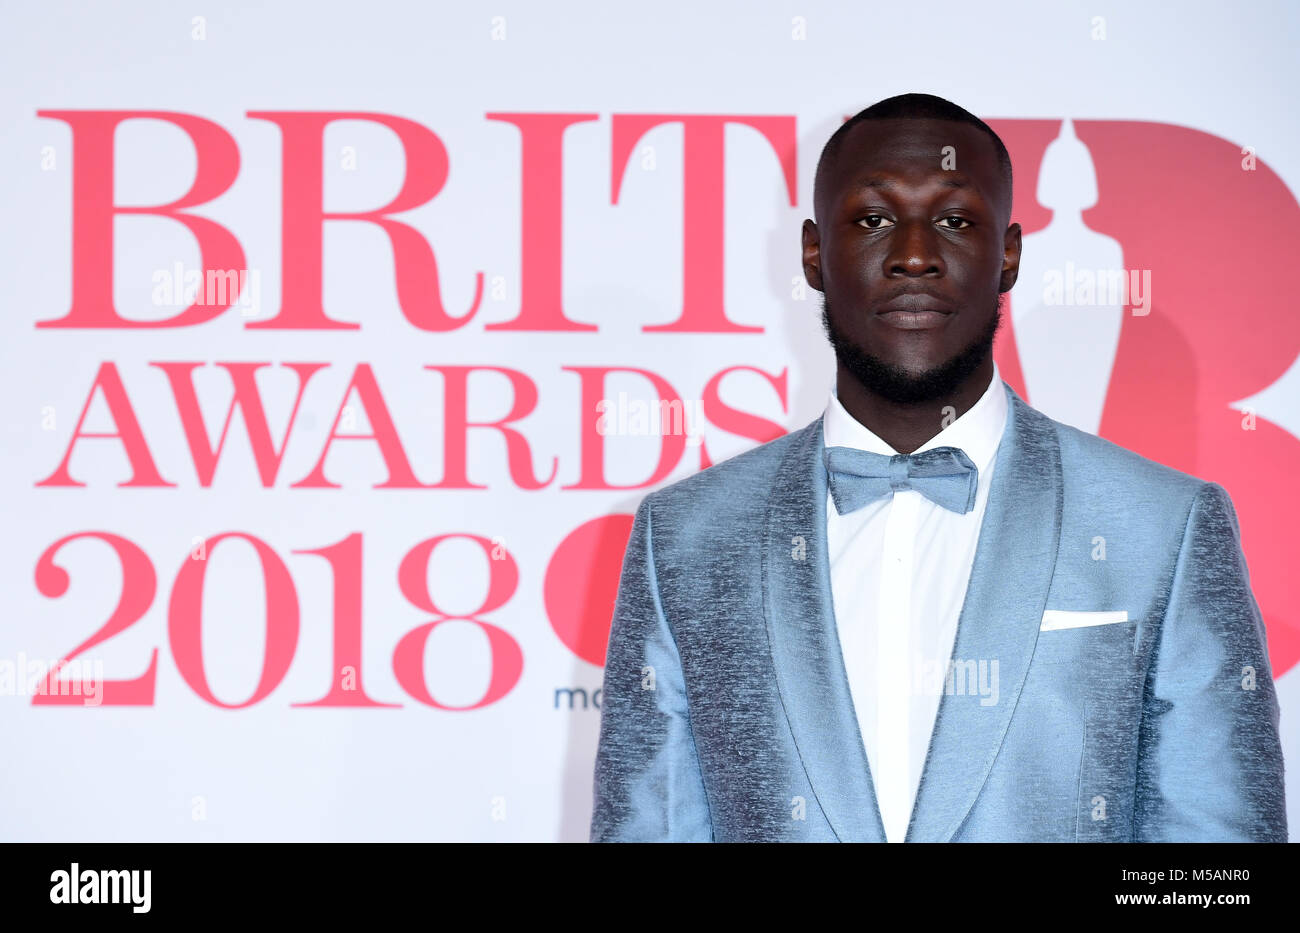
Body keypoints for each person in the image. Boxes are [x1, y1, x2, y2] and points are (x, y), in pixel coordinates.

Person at [589, 92, 1286, 842]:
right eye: (873, 219)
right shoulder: (688, 539)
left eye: (954, 220)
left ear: (1009, 253)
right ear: (813, 254)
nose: (914, 253)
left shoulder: (1164, 528)